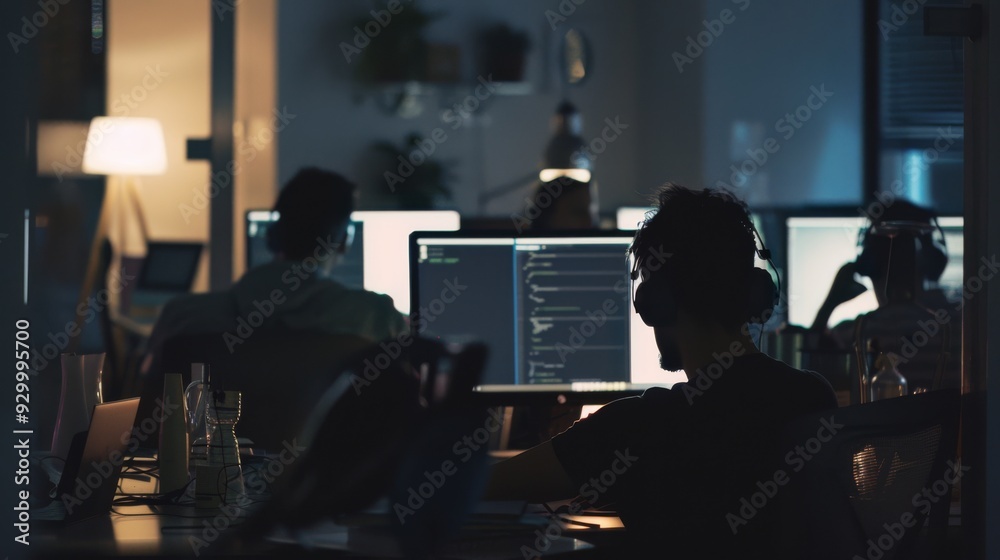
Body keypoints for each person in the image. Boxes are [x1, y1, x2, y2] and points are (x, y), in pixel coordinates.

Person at [485, 184, 837, 556]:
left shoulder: (633, 429)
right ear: (754, 294)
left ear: (657, 302)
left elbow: (484, 485)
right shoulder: (813, 397)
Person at [809, 199, 956, 390]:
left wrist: (828, 305)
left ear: (870, 262)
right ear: (934, 260)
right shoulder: (964, 327)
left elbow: (805, 378)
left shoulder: (854, 335)